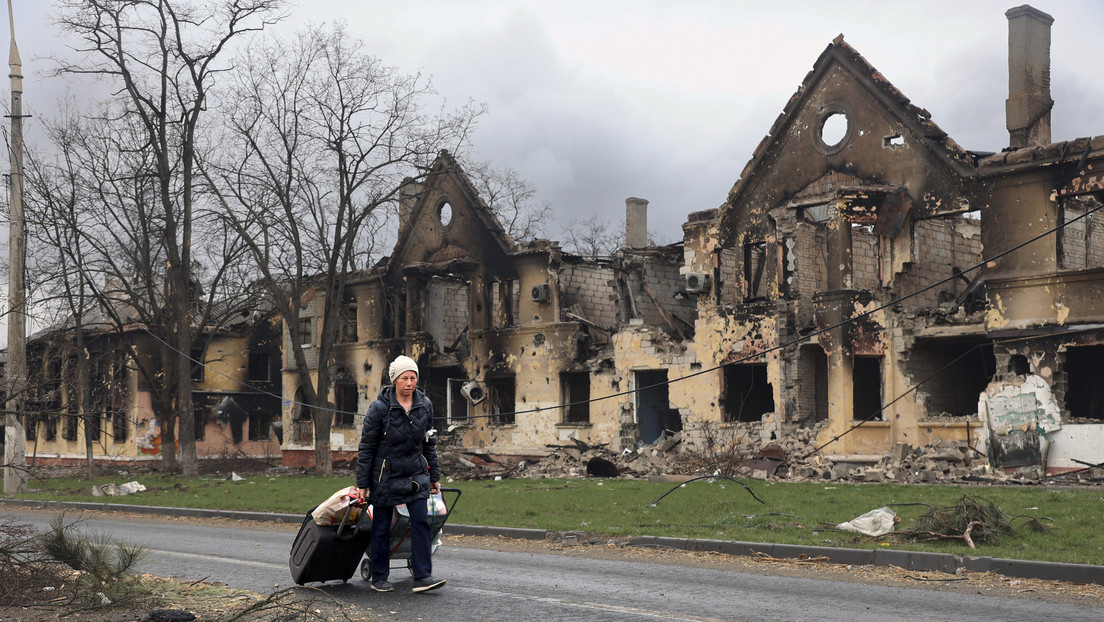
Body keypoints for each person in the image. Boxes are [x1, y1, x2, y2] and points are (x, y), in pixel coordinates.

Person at [355, 355, 445, 593]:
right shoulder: (379, 409)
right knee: (382, 527)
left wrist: (434, 476)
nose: (409, 383)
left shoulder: (425, 405)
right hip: (386, 475)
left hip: (415, 474)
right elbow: (366, 448)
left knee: (421, 522)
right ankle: (379, 578)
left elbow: (429, 443)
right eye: (404, 378)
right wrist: (363, 483)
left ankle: (423, 576)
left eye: (413, 378)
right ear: (394, 380)